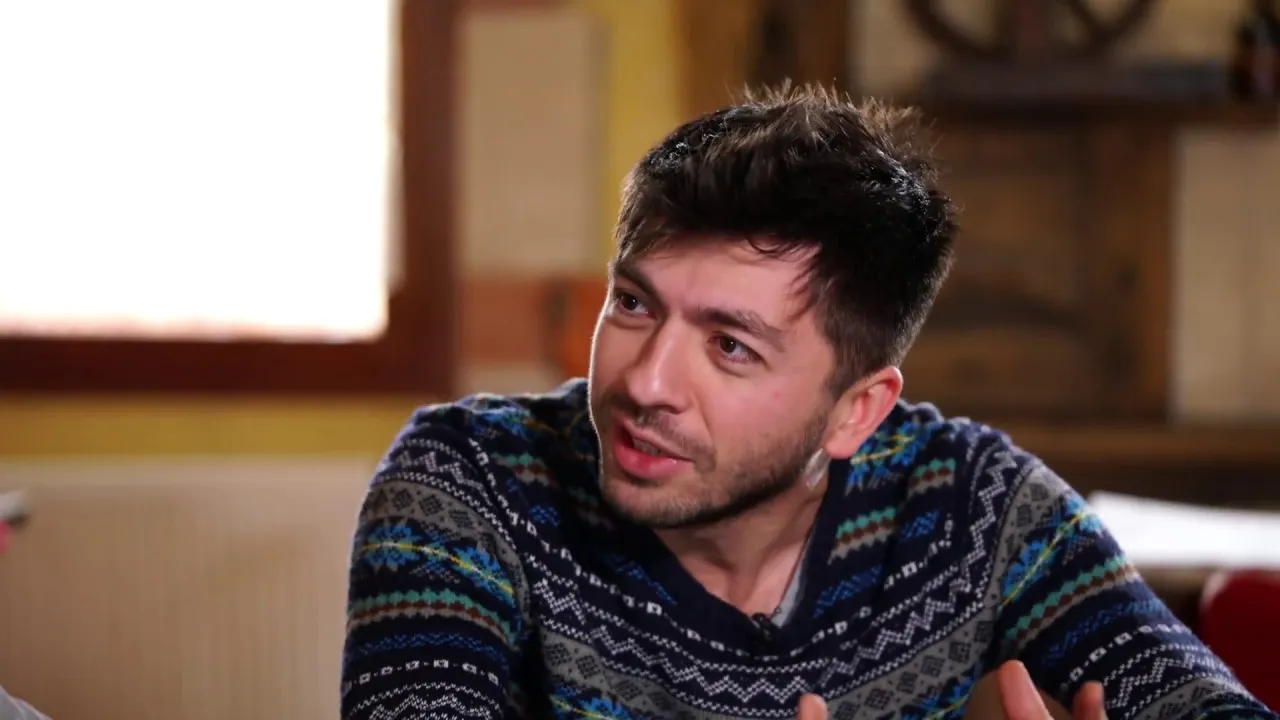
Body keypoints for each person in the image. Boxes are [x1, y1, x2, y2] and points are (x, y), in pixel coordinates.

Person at [340, 85, 1275, 720]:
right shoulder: (471, 483)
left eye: (731, 346)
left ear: (855, 412)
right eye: (633, 304)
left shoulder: (972, 504)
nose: (645, 382)